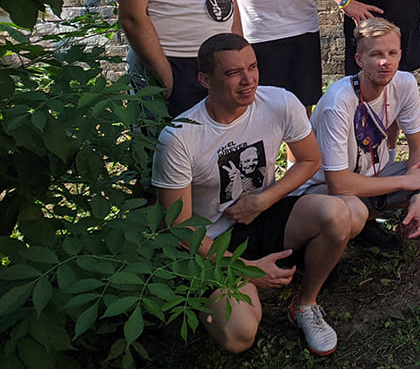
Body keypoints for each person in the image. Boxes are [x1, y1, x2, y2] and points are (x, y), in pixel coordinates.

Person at [152, 34, 365, 355]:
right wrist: (246, 268)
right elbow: (178, 227)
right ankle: (241, 281)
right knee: (239, 335)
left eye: (252, 67)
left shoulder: (280, 102)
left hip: (263, 216)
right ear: (205, 80)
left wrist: (265, 199)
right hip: (211, 241)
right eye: (233, 72)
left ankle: (305, 304)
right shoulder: (179, 138)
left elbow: (309, 160)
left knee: (345, 213)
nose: (248, 79)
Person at [299, 18, 420, 251]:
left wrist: (417, 198)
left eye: (392, 53)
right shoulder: (338, 102)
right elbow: (338, 184)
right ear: (359, 60)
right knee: (353, 209)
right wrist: (405, 182)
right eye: (376, 55)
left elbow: (417, 151)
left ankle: (368, 220)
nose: (385, 62)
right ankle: (355, 227)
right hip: (325, 190)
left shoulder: (405, 83)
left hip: (373, 175)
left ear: (400, 55)